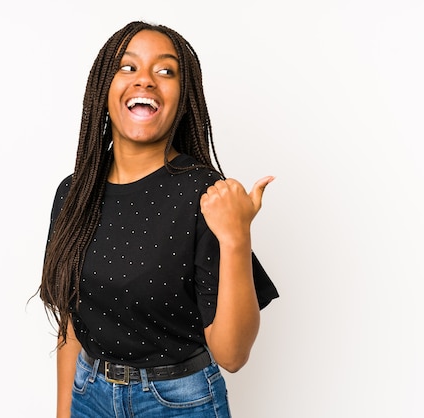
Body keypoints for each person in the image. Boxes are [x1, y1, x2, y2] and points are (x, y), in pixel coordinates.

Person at [38, 20, 279, 418]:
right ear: (104, 88)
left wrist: (237, 237)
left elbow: (232, 355)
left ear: (183, 98)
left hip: (178, 403)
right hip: (89, 394)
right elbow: (71, 326)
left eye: (165, 71)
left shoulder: (203, 193)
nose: (146, 81)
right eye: (128, 67)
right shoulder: (73, 193)